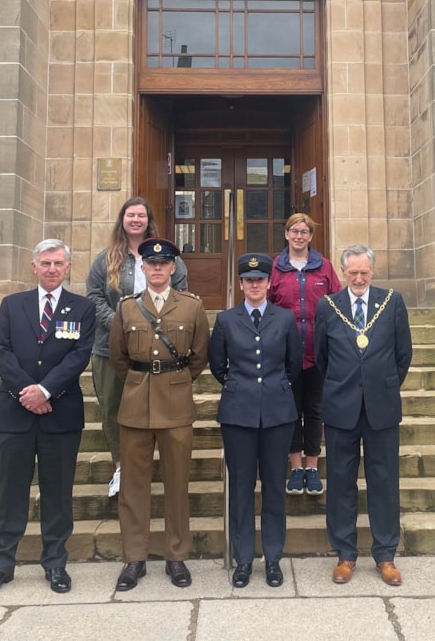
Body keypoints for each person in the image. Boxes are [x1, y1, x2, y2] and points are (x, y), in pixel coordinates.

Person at [0, 239, 96, 598]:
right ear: (34, 266)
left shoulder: (82, 308)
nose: (52, 269)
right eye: (45, 263)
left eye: (59, 263)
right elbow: (1, 351)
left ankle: (55, 561)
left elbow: (79, 355)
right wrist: (27, 392)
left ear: (69, 267)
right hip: (15, 413)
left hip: (61, 414)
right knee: (12, 490)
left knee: (58, 492)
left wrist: (45, 391)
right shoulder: (12, 305)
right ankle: (3, 563)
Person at [109, 237, 210, 591]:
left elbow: (198, 358)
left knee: (177, 484)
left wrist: (174, 381)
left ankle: (175, 555)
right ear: (143, 268)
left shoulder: (192, 307)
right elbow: (119, 358)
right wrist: (143, 380)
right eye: (150, 264)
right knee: (133, 488)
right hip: (136, 405)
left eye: (163, 264)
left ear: (172, 269)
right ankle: (134, 557)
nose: (156, 269)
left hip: (176, 404)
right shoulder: (126, 308)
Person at [313, 243, 412, 588]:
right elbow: (321, 357)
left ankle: (385, 555)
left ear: (372, 272)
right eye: (352, 272)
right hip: (341, 408)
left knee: (384, 482)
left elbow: (403, 355)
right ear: (342, 272)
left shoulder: (392, 302)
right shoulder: (328, 307)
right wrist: (347, 386)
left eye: (364, 272)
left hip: (381, 407)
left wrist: (378, 385)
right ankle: (345, 554)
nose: (358, 277)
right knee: (341, 482)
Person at [85, 197, 188, 498]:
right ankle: (121, 467)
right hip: (109, 348)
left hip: (159, 352)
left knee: (160, 411)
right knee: (113, 408)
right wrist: (121, 325)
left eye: (141, 215)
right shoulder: (106, 259)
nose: (136, 220)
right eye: (130, 215)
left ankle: (157, 467)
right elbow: (93, 297)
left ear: (149, 220)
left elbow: (180, 295)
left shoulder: (171, 259)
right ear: (122, 219)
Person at [210, 253, 302, 588]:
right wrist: (245, 390)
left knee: (275, 487)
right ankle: (244, 559)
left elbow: (293, 364)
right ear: (241, 284)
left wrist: (271, 391)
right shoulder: (226, 320)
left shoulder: (285, 318)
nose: (254, 285)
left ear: (268, 282)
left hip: (278, 414)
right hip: (238, 415)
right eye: (249, 281)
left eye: (260, 280)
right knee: (242, 488)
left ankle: (274, 558)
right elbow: (218, 365)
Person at [268, 213, 341, 496]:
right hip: (284, 354)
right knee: (289, 410)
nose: (299, 236)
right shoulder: (276, 267)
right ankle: (295, 467)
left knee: (314, 409)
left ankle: (312, 466)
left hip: (317, 353)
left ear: (311, 236)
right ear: (286, 234)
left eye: (304, 231)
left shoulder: (324, 267)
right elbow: (268, 306)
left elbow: (338, 305)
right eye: (294, 231)